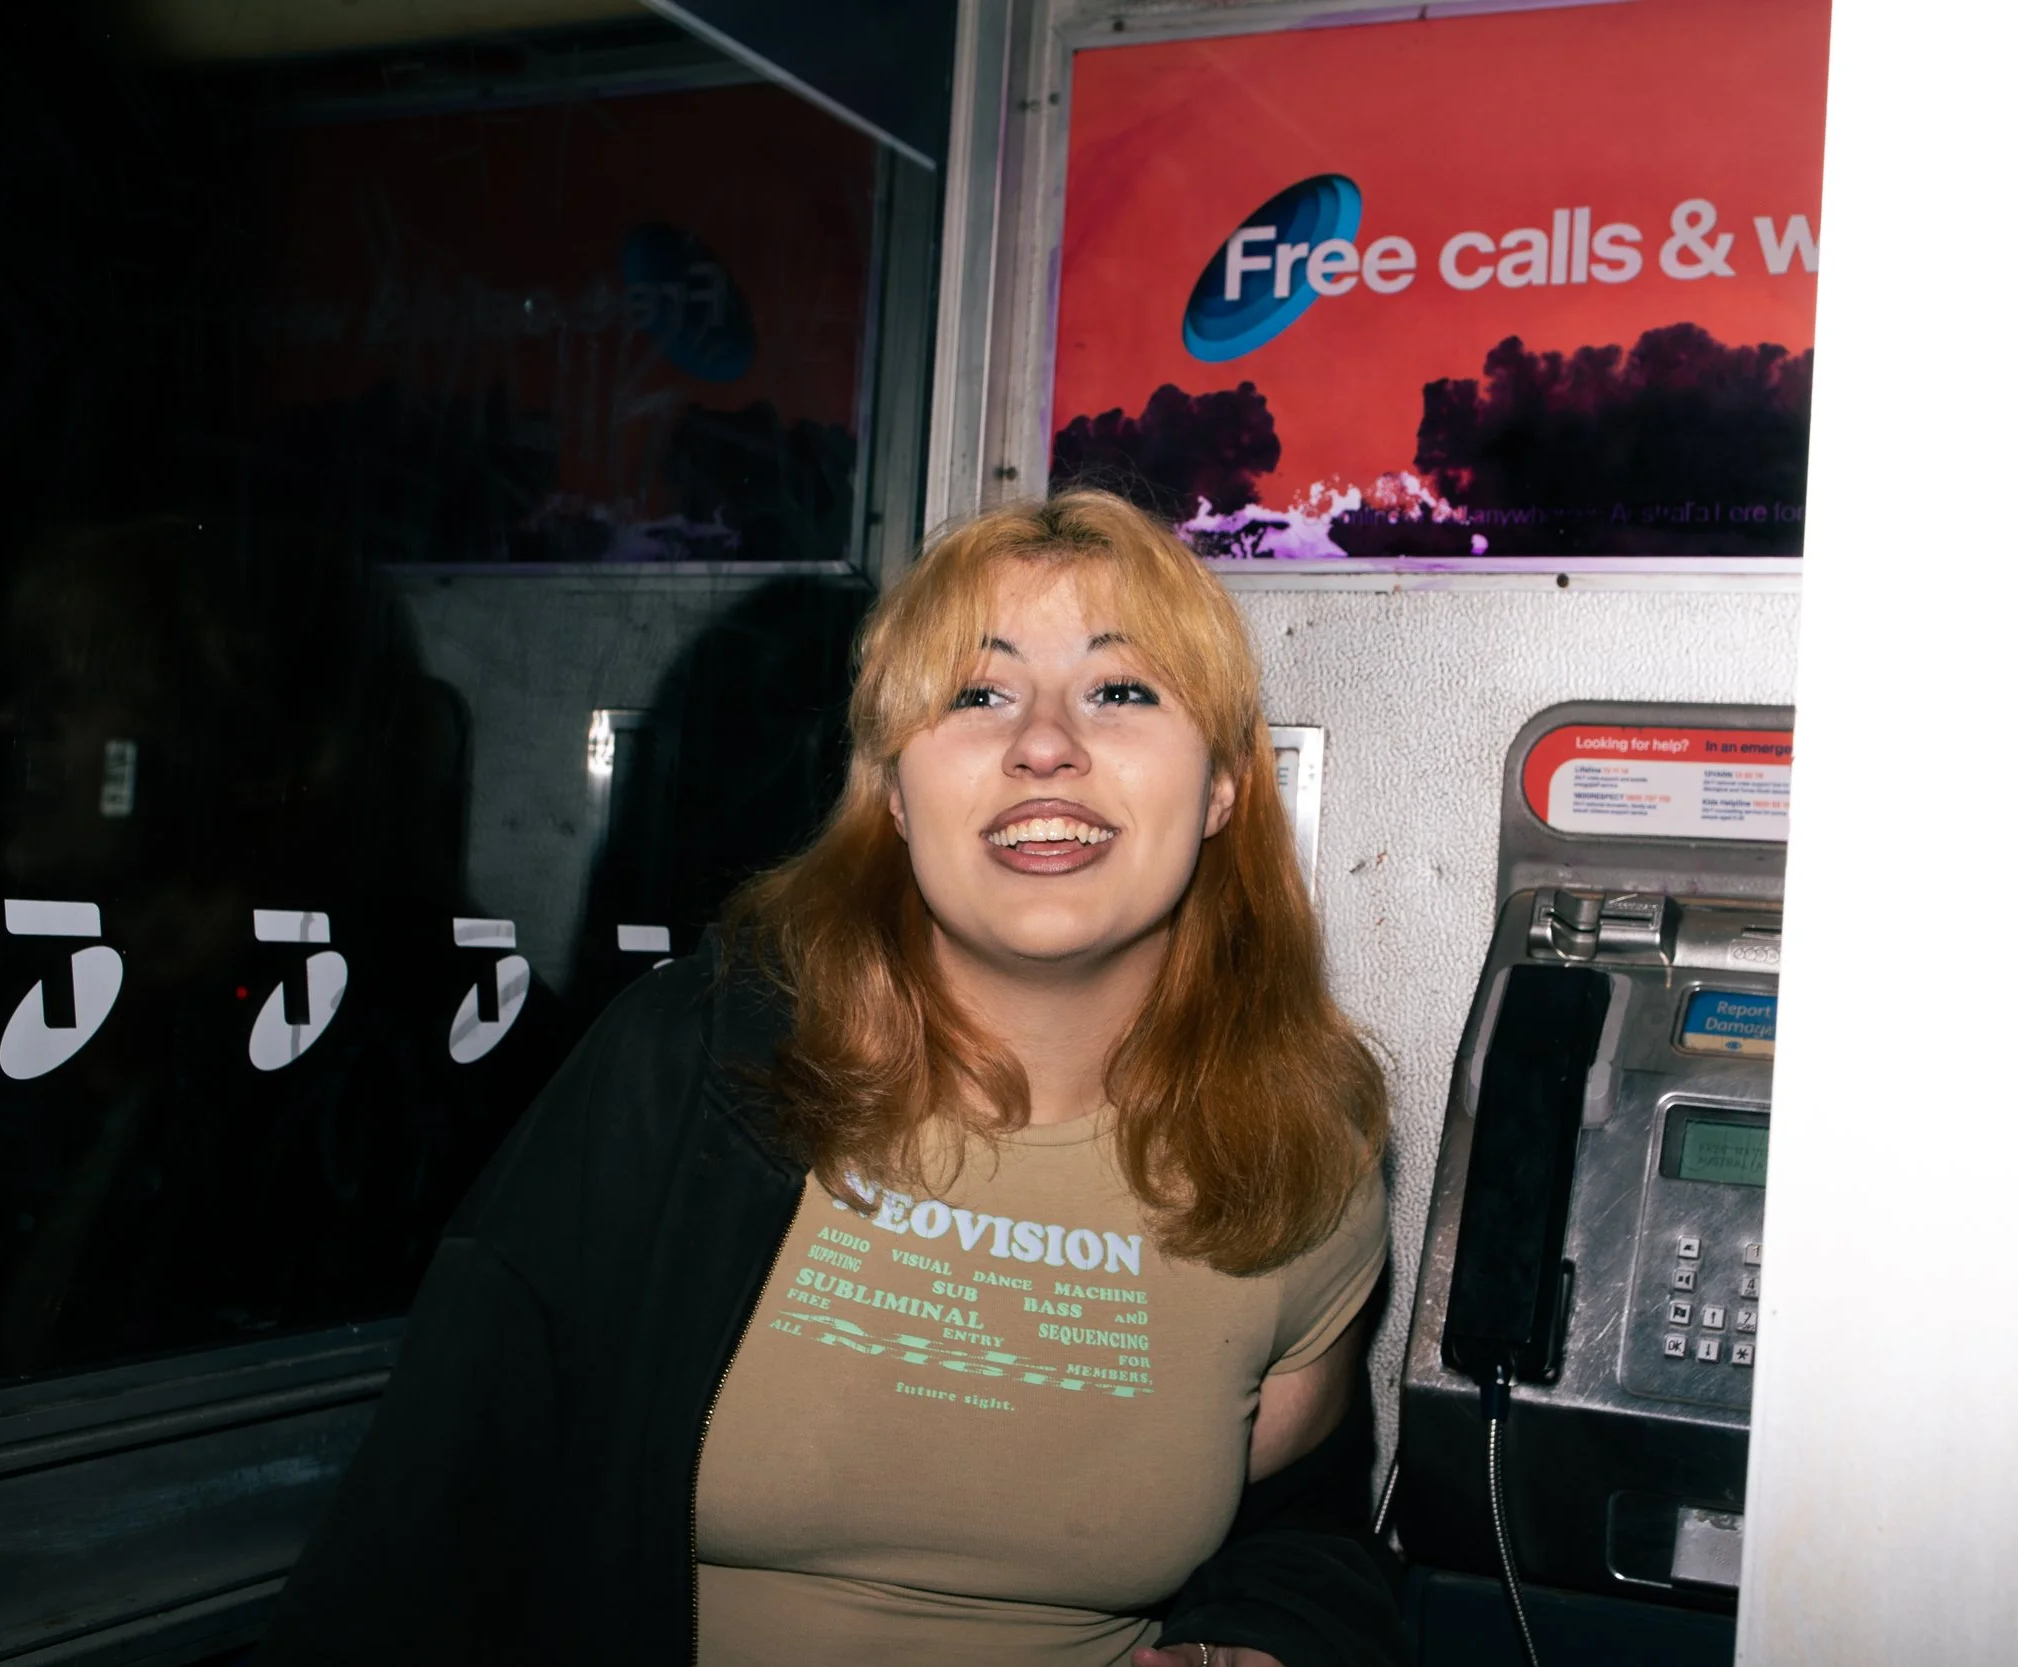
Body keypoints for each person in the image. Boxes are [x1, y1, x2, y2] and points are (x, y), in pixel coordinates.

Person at [256, 491, 1404, 1666]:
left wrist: (1265, 1640)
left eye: (1120, 690)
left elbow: (1297, 1529)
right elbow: (421, 1534)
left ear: (1222, 784)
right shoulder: (694, 1069)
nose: (1045, 741)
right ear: (893, 791)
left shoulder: (1293, 1143)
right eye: (977, 692)